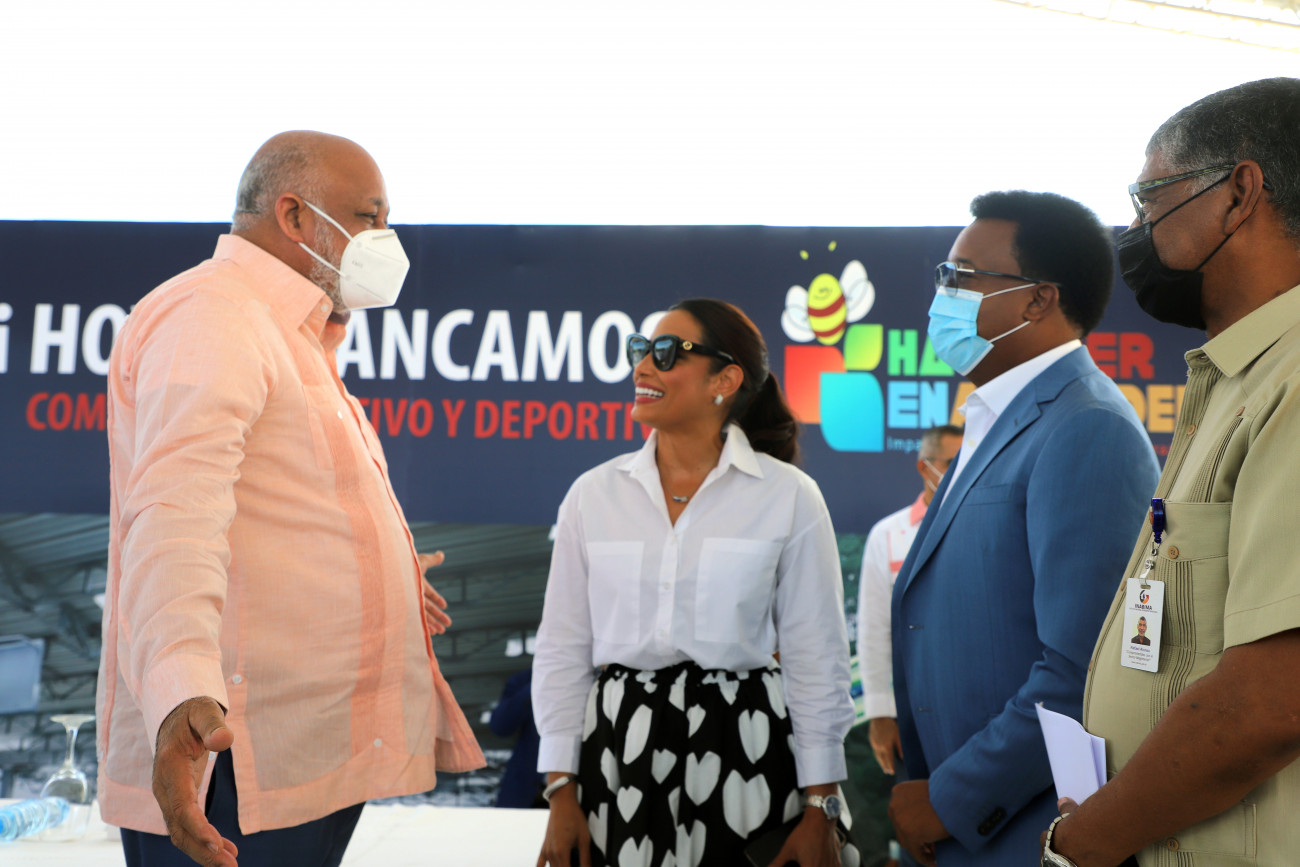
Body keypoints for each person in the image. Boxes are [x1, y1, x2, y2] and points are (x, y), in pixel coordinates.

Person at [97, 131, 484, 867]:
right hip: (229, 760)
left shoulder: (289, 335)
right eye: (370, 216)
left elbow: (279, 517)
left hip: (294, 761)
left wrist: (390, 584)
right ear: (296, 215)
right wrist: (179, 692)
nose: (387, 239)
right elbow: (176, 513)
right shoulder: (213, 313)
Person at [1039, 78, 1300, 867]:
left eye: (1148, 197)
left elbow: (1272, 700)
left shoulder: (1293, 382)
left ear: (1240, 193)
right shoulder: (1237, 380)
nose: (1135, 229)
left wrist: (1084, 842)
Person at [887, 191, 1160, 867]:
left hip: (1024, 831)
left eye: (961, 277)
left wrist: (950, 799)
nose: (942, 296)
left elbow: (1081, 669)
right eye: (942, 276)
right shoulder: (997, 418)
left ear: (1038, 300)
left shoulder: (1086, 425)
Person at [532, 299, 856, 867]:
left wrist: (820, 803)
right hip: (618, 757)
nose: (642, 366)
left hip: (748, 750)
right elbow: (562, 648)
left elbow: (816, 657)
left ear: (724, 380)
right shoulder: (592, 494)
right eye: (640, 349)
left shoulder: (790, 496)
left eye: (666, 353)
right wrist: (560, 789)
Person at [858, 424, 963, 778]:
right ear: (924, 466)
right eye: (951, 462)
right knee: (915, 801)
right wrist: (880, 714)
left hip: (975, 707)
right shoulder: (887, 535)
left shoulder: (983, 526)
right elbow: (873, 631)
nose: (960, 471)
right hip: (911, 710)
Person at [490, 668, 545, 808]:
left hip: (575, 793)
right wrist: (539, 681)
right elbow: (500, 727)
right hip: (523, 795)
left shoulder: (588, 680)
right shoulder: (525, 679)